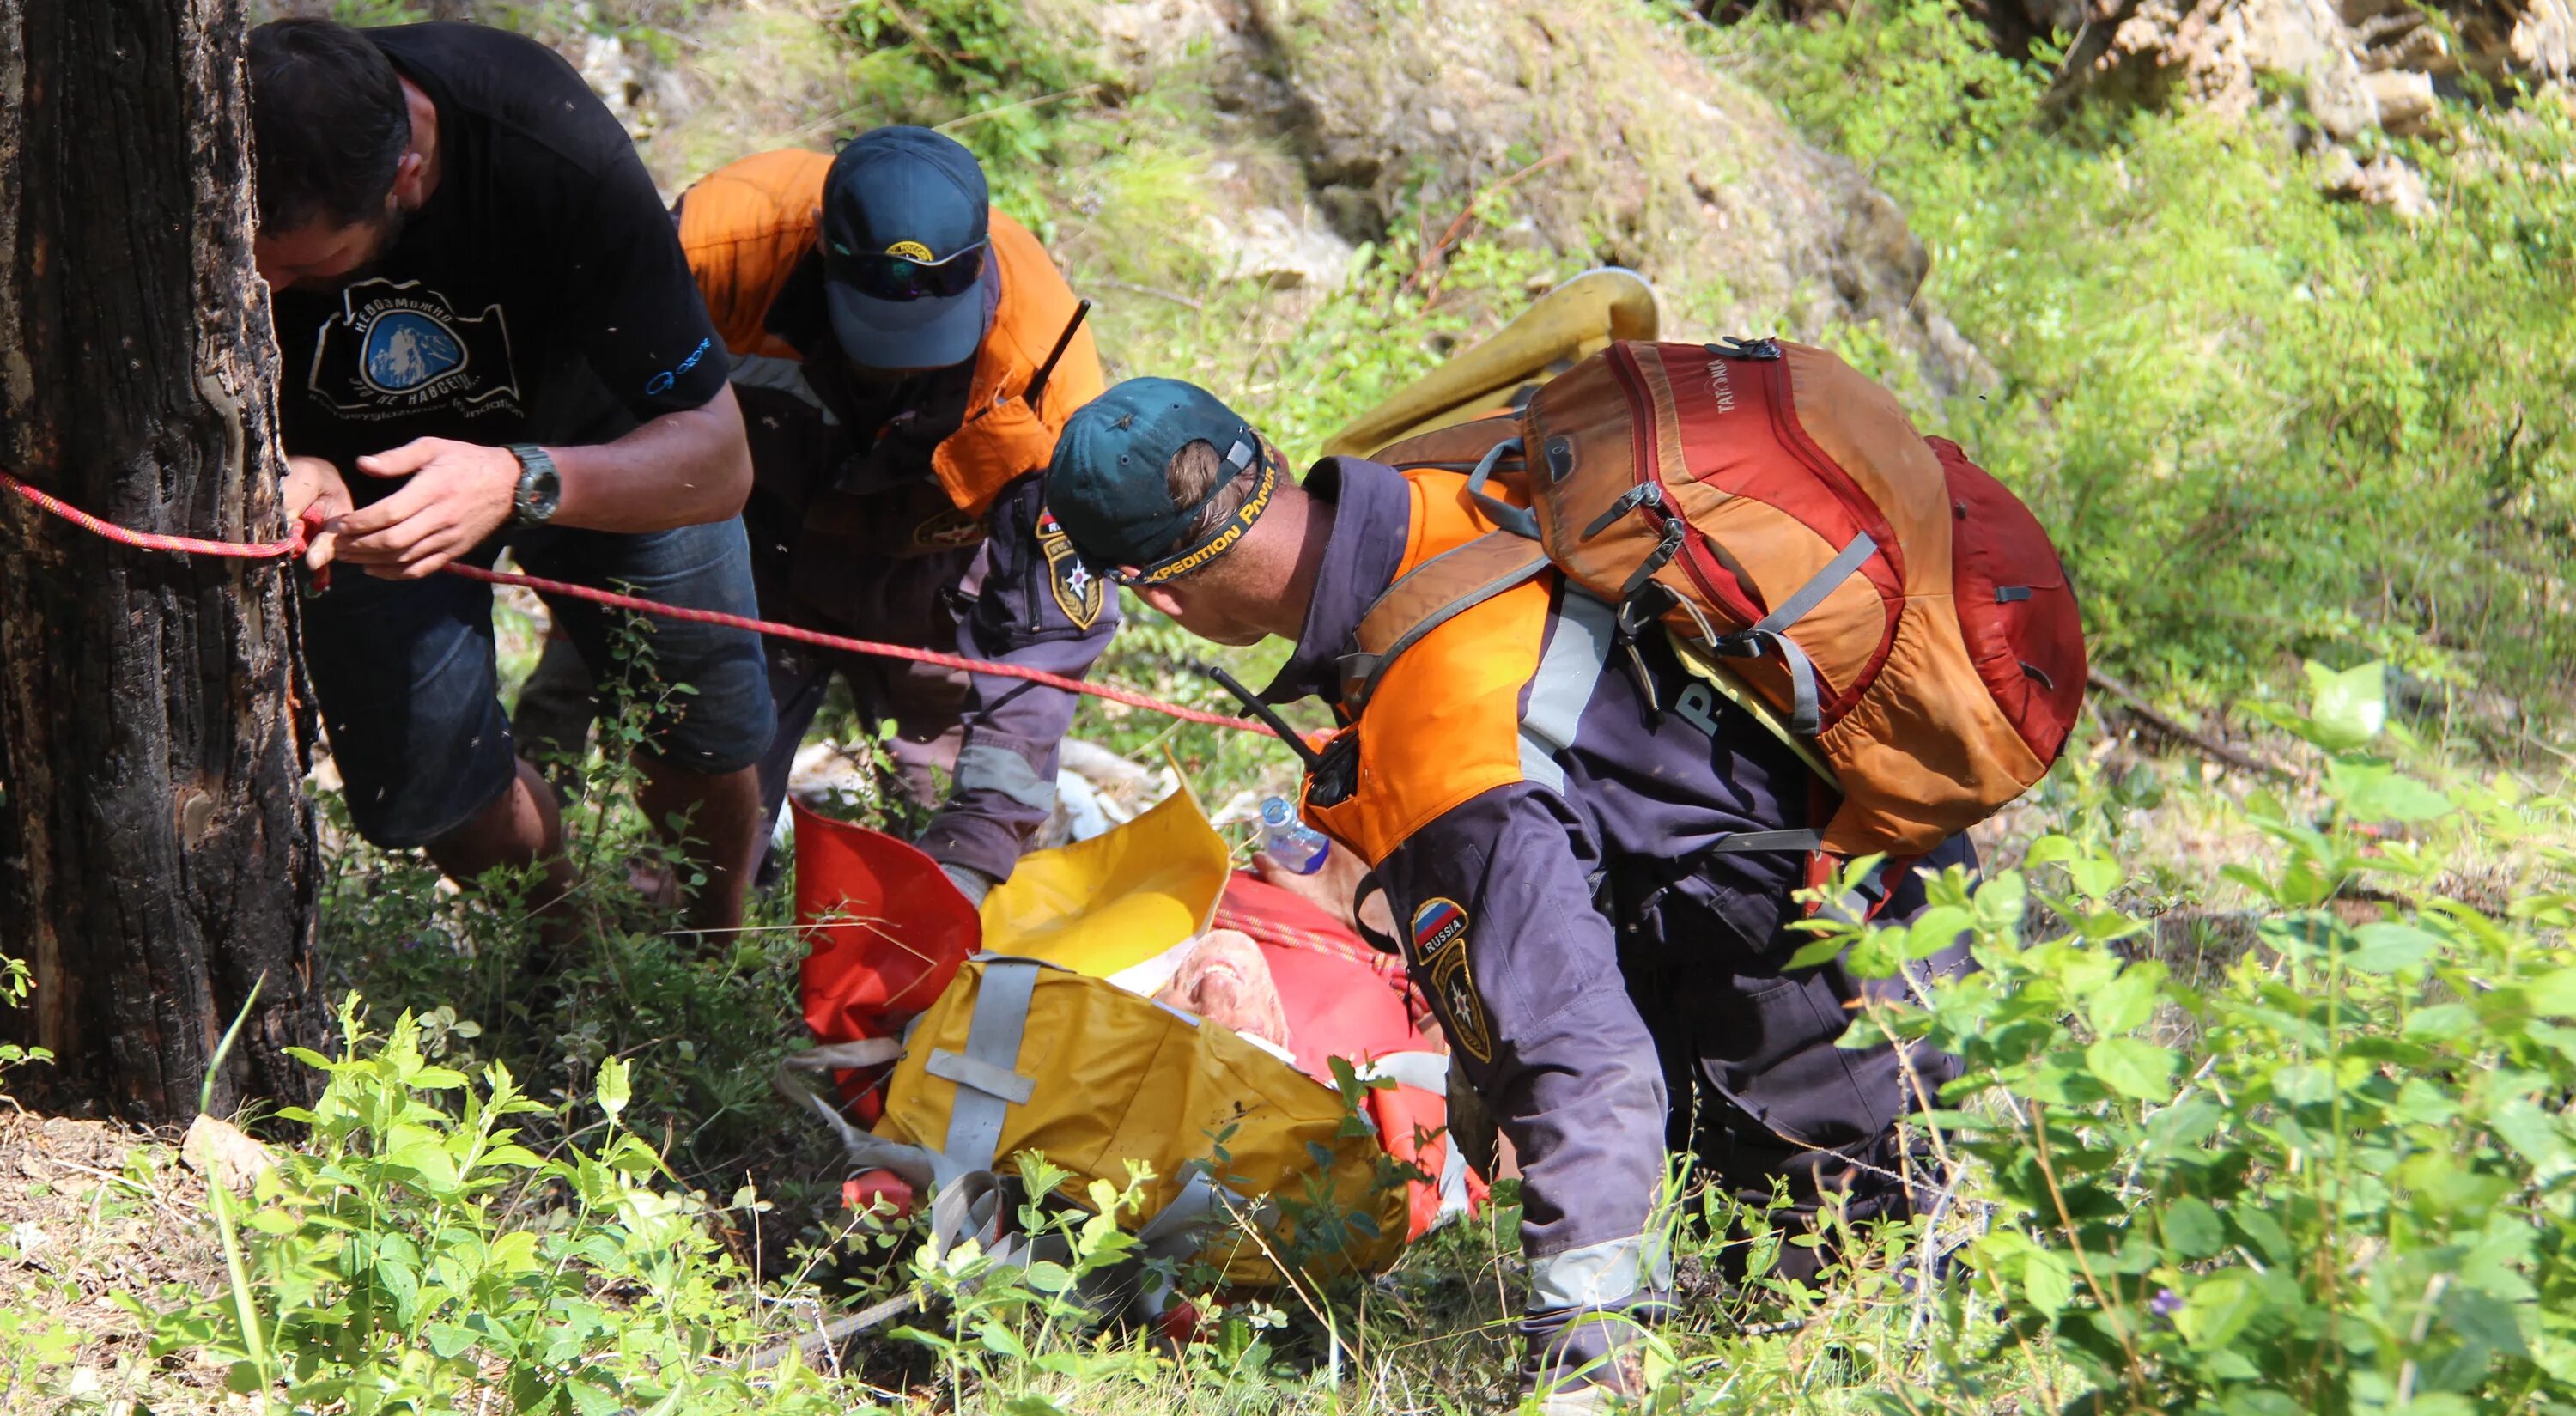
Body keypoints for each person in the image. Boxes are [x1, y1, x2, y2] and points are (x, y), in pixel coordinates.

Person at [1043, 378, 1975, 1409]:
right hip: (1907, 893)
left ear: (1162, 596)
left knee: (1856, 1359)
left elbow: (1588, 1074)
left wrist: (1579, 1379)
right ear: (1259, 449)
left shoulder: (1441, 742)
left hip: (1839, 1052)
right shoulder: (1453, 469)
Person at [249, 17, 775, 943]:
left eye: (305, 267)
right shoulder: (223, 143)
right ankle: (569, 951)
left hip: (595, 438)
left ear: (406, 174)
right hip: (367, 500)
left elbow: (721, 459)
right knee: (433, 792)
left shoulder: (547, 145)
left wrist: (521, 479)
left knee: (705, 728)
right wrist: (287, 460)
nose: (265, 284)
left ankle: (716, 940)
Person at [513, 128, 1117, 907]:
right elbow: (596, 432)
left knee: (941, 843)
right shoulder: (716, 248)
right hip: (751, 547)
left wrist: (981, 841)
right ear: (823, 253)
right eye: (876, 333)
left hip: (928, 577)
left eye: (925, 343)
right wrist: (583, 638)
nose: (898, 362)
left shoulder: (1047, 378)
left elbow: (1048, 632)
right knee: (704, 846)